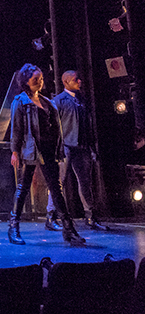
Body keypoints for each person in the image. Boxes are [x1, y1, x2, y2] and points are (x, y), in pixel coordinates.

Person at [8, 64, 85, 246]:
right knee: (23, 188)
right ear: (26, 81)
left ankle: (68, 228)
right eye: (36, 79)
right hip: (30, 150)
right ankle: (13, 227)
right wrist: (15, 152)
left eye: (41, 79)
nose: (40, 82)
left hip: (48, 150)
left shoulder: (47, 102)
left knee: (56, 188)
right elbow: (16, 129)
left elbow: (55, 128)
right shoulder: (20, 101)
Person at [44, 71, 109, 231]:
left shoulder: (82, 100)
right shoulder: (58, 101)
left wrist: (92, 148)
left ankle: (90, 217)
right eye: (75, 80)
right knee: (58, 182)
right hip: (65, 147)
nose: (79, 81)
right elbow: (51, 125)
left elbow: (89, 125)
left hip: (82, 147)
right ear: (66, 82)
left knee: (85, 183)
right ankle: (51, 216)